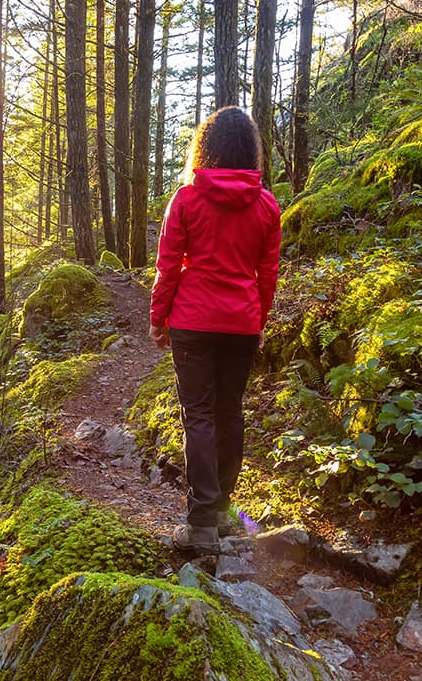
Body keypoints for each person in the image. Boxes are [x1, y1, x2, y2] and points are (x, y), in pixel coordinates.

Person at [149, 106, 281, 555]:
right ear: (251, 151)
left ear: (206, 148)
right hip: (240, 323)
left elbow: (168, 265)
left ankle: (202, 522)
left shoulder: (186, 199)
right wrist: (259, 321)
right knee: (229, 412)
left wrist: (158, 317)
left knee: (200, 416)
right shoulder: (266, 205)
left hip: (192, 321)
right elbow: (268, 273)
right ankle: (223, 514)